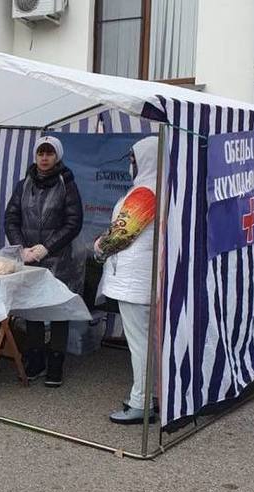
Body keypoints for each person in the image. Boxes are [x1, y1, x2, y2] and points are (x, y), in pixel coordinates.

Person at [4, 136, 84, 387]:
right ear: (35, 156)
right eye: (41, 153)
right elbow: (11, 218)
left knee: (58, 308)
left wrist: (46, 248)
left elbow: (73, 223)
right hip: (29, 257)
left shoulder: (67, 184)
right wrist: (23, 248)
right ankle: (36, 358)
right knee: (33, 308)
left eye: (50, 153)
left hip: (59, 259)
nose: (45, 157)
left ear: (57, 156)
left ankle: (56, 362)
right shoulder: (23, 184)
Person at [94, 136, 159, 424]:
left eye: (133, 160)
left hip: (135, 281)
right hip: (143, 278)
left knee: (140, 345)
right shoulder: (160, 187)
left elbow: (121, 234)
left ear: (145, 160)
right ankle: (151, 396)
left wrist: (98, 248)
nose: (130, 165)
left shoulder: (145, 192)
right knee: (148, 342)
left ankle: (140, 403)